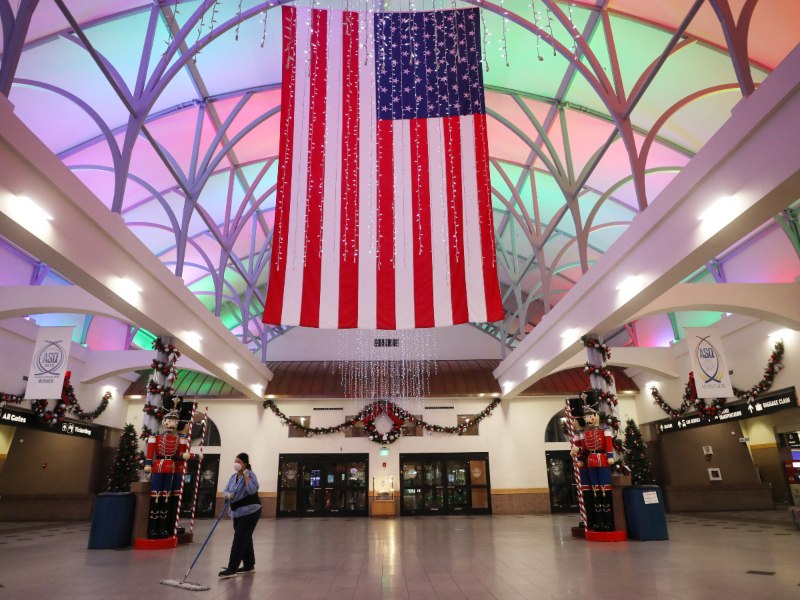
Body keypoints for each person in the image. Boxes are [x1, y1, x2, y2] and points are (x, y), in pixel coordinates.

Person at [218, 452, 261, 578]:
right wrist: (227, 495)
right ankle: (248, 565)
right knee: (245, 537)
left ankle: (232, 568)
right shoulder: (233, 477)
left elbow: (252, 490)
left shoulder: (251, 475)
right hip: (237, 512)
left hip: (250, 511)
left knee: (239, 539)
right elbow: (225, 490)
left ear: (245, 464)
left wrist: (247, 476)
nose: (236, 464)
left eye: (239, 462)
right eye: (235, 461)